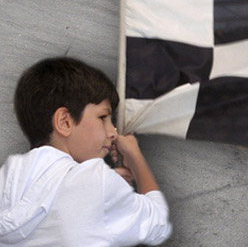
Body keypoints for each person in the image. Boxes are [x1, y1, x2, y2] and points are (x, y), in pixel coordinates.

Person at [0, 57, 172, 246]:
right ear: (64, 122)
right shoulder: (98, 181)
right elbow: (158, 222)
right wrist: (135, 157)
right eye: (103, 117)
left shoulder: (10, 173)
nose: (112, 132)